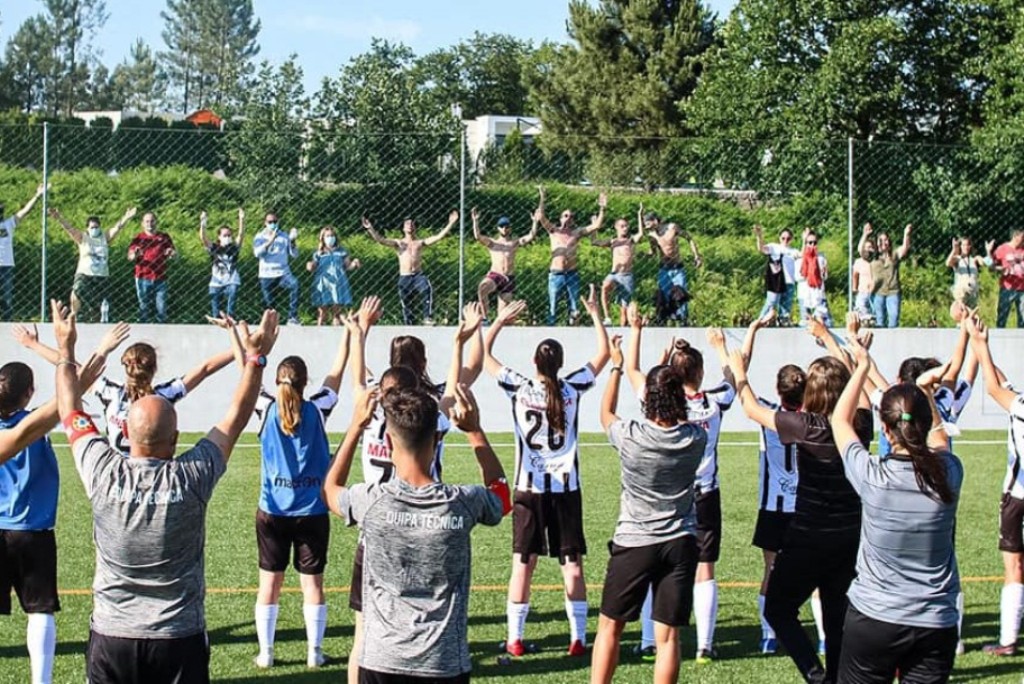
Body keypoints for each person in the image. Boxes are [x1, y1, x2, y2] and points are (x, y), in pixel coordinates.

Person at [54, 301, 279, 683]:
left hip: (113, 636)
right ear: (175, 439)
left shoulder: (100, 468)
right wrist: (254, 359)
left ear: (125, 433)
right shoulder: (192, 476)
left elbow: (68, 409)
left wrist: (65, 347)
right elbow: (236, 417)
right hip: (178, 637)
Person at [324, 375, 510, 683]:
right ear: (436, 441)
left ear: (387, 442)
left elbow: (330, 489)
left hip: (382, 660)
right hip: (443, 663)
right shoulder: (462, 502)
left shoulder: (370, 501)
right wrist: (475, 431)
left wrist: (356, 426)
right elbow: (501, 498)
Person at [340, 298, 484, 684]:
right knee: (434, 612)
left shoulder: (368, 413)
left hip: (377, 531)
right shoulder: (428, 414)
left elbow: (356, 382)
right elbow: (456, 388)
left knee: (364, 636)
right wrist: (458, 341)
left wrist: (359, 332)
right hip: (428, 527)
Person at [726, 331, 875, 684]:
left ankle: (815, 673)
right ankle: (835, 678)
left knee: (778, 609)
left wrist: (739, 372)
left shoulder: (805, 426)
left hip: (808, 537)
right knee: (837, 616)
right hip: (849, 538)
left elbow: (750, 409)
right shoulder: (860, 425)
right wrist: (854, 358)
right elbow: (863, 396)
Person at [485, 289, 610, 657]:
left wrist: (499, 321)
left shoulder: (520, 387)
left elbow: (487, 358)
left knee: (523, 564)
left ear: (534, 362)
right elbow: (603, 354)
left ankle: (515, 639)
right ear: (559, 364)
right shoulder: (572, 388)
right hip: (565, 490)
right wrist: (593, 312)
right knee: (571, 565)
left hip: (529, 489)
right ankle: (579, 639)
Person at [831, 337, 962, 683]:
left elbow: (839, 421)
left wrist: (859, 366)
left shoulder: (873, 475)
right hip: (935, 621)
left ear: (886, 430)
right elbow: (939, 440)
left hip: (875, 618)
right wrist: (925, 393)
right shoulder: (949, 473)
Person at [2, 322, 127, 684]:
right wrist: (98, 350)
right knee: (40, 611)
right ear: (30, 393)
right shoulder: (33, 425)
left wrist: (35, 344)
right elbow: (74, 388)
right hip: (33, 531)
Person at [590, 336, 705, 684]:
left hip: (636, 540)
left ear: (648, 399)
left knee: (611, 626)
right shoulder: (694, 439)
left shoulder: (632, 435)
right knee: (668, 636)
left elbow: (606, 413)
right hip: (680, 541)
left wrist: (616, 368)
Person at [624, 306, 736, 662]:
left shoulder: (662, 402)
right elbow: (734, 381)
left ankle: (647, 640)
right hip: (705, 494)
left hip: (667, 492)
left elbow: (632, 370)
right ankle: (705, 643)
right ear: (701, 373)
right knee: (704, 567)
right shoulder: (714, 401)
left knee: (654, 561)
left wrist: (637, 331)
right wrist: (720, 347)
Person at [251, 326, 351, 669]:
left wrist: (251, 346)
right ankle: (315, 652)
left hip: (272, 511)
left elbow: (246, 372)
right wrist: (350, 334)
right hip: (311, 510)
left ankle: (266, 653)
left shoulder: (264, 407)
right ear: (305, 383)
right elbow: (336, 375)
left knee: (270, 584)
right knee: (313, 585)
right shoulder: (317, 409)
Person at [964, 314, 1024, 656]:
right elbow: (1002, 384)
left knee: (1013, 566)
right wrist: (981, 348)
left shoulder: (1019, 407)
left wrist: (980, 343)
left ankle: (1008, 641)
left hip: (1016, 496)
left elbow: (995, 388)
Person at [86, 337, 235, 456]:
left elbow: (77, 374)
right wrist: (244, 347)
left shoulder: (111, 392)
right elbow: (205, 368)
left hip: (117, 474)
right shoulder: (164, 396)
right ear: (154, 368)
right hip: (155, 476)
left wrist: (102, 349)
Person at [362, 211, 458, 325]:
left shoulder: (419, 243)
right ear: (403, 228)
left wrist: (450, 223)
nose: (410, 225)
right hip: (405, 276)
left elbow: (437, 237)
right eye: (407, 224)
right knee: (407, 303)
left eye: (412, 224)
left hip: (418, 275)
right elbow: (381, 240)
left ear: (415, 227)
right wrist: (370, 228)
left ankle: (427, 317)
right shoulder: (399, 243)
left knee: (427, 289)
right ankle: (409, 323)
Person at [49, 205, 136, 321]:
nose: (94, 229)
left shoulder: (105, 237)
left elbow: (117, 228)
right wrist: (59, 217)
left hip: (101, 274)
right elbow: (69, 229)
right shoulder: (83, 238)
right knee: (76, 290)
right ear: (87, 228)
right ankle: (75, 315)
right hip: (85, 273)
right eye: (92, 227)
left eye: (96, 227)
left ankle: (97, 315)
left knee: (97, 302)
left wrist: (127, 217)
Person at [535, 189, 607, 325]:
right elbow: (541, 218)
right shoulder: (554, 231)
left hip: (572, 274)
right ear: (561, 218)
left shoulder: (576, 232)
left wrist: (602, 208)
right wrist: (542, 199)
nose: (568, 218)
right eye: (566, 215)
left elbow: (596, 225)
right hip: (556, 274)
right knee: (553, 307)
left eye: (571, 216)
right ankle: (550, 331)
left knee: (574, 308)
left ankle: (573, 329)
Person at [472, 206, 539, 323]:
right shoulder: (493, 243)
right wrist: (475, 221)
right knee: (482, 288)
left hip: (508, 278)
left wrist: (534, 222)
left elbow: (531, 236)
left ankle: (497, 330)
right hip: (495, 275)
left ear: (510, 228)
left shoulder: (514, 243)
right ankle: (484, 317)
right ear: (498, 228)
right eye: (502, 226)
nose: (504, 228)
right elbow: (478, 236)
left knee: (502, 317)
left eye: (506, 226)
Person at [644, 211, 702, 326]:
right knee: (664, 297)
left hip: (677, 268)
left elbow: (689, 238)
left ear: (655, 221)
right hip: (664, 269)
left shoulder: (672, 228)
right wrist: (645, 255)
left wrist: (696, 255)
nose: (646, 226)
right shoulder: (651, 236)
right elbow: (654, 252)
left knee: (681, 296)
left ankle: (683, 320)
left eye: (647, 223)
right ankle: (664, 321)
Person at [0, 184, 46, 321]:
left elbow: (25, 211)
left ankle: (6, 322)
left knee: (7, 298)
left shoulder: (8, 224)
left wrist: (37, 195)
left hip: (7, 266)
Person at [592, 212, 644, 326]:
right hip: (615, 274)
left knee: (624, 313)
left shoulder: (631, 240)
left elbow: (640, 234)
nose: (625, 228)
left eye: (626, 226)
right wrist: (594, 226)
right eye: (622, 226)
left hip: (627, 276)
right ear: (616, 227)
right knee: (605, 285)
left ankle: (622, 330)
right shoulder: (613, 241)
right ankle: (607, 317)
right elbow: (595, 241)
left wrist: (639, 215)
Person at [127, 212, 176, 324]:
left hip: (160, 277)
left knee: (161, 308)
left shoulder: (163, 237)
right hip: (142, 277)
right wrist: (135, 254)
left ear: (156, 222)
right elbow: (130, 257)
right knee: (144, 308)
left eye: (152, 221)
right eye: (147, 221)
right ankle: (143, 331)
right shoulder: (138, 238)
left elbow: (174, 254)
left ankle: (162, 332)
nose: (150, 224)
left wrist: (171, 253)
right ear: (142, 224)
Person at [252, 211, 300, 325]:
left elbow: (294, 255)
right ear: (265, 223)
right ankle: (271, 324)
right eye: (270, 222)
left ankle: (292, 317)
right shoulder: (259, 237)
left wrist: (292, 242)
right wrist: (270, 240)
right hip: (266, 274)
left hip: (283, 273)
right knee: (270, 305)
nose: (273, 224)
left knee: (295, 285)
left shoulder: (284, 236)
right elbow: (257, 253)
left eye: (275, 221)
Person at [306, 225, 359, 326]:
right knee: (322, 312)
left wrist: (354, 263)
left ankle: (336, 333)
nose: (330, 238)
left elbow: (348, 267)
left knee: (337, 312)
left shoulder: (342, 251)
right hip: (323, 283)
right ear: (323, 238)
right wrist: (310, 265)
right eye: (327, 236)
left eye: (332, 235)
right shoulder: (319, 253)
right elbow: (313, 267)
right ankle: (319, 332)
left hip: (338, 282)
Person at [862, 222, 912, 328]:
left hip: (893, 292)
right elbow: (861, 250)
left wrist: (906, 234)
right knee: (879, 322)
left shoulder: (894, 255)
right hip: (877, 293)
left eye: (886, 240)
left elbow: (904, 248)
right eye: (881, 240)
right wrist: (865, 235)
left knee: (893, 320)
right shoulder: (873, 256)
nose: (883, 242)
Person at [200, 208, 245, 319]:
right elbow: (203, 238)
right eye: (225, 235)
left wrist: (241, 219)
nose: (228, 237)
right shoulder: (215, 247)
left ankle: (230, 317)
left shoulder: (234, 247)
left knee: (233, 291)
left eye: (229, 235)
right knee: (216, 311)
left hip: (231, 280)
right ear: (219, 237)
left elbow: (241, 234)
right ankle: (217, 320)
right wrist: (203, 223)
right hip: (216, 282)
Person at [755, 225, 801, 324]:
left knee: (785, 308)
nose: (785, 240)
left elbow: (803, 255)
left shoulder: (793, 251)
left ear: (791, 239)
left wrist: (805, 240)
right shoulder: (774, 247)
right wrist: (759, 236)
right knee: (771, 302)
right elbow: (761, 248)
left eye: (788, 238)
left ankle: (782, 324)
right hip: (776, 282)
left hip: (789, 282)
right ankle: (760, 322)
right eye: (783, 238)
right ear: (779, 238)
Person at [987, 228, 1024, 328]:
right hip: (1007, 288)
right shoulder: (1002, 249)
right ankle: (999, 338)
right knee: (1002, 317)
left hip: (1022, 289)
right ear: (1015, 237)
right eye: (1022, 238)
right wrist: (989, 253)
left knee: (1023, 319)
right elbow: (991, 267)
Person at [797, 229, 831, 326]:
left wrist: (822, 273)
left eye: (814, 242)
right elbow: (798, 276)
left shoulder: (821, 258)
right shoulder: (800, 258)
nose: (812, 245)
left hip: (818, 293)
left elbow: (824, 277)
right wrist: (810, 271)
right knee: (805, 321)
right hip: (804, 293)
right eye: (809, 242)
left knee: (824, 321)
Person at [947, 236, 986, 310]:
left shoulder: (974, 259)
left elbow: (983, 263)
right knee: (963, 313)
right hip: (962, 292)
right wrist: (954, 250)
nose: (966, 247)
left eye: (968, 245)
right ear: (960, 246)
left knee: (972, 315)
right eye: (963, 245)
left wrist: (986, 255)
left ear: (970, 246)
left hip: (973, 292)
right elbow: (948, 263)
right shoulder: (957, 259)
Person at [851, 237, 875, 323]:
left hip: (874, 294)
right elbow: (855, 275)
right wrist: (855, 288)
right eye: (866, 247)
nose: (869, 250)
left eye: (870, 247)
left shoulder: (875, 262)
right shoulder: (859, 262)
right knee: (862, 317)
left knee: (873, 318)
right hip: (862, 293)